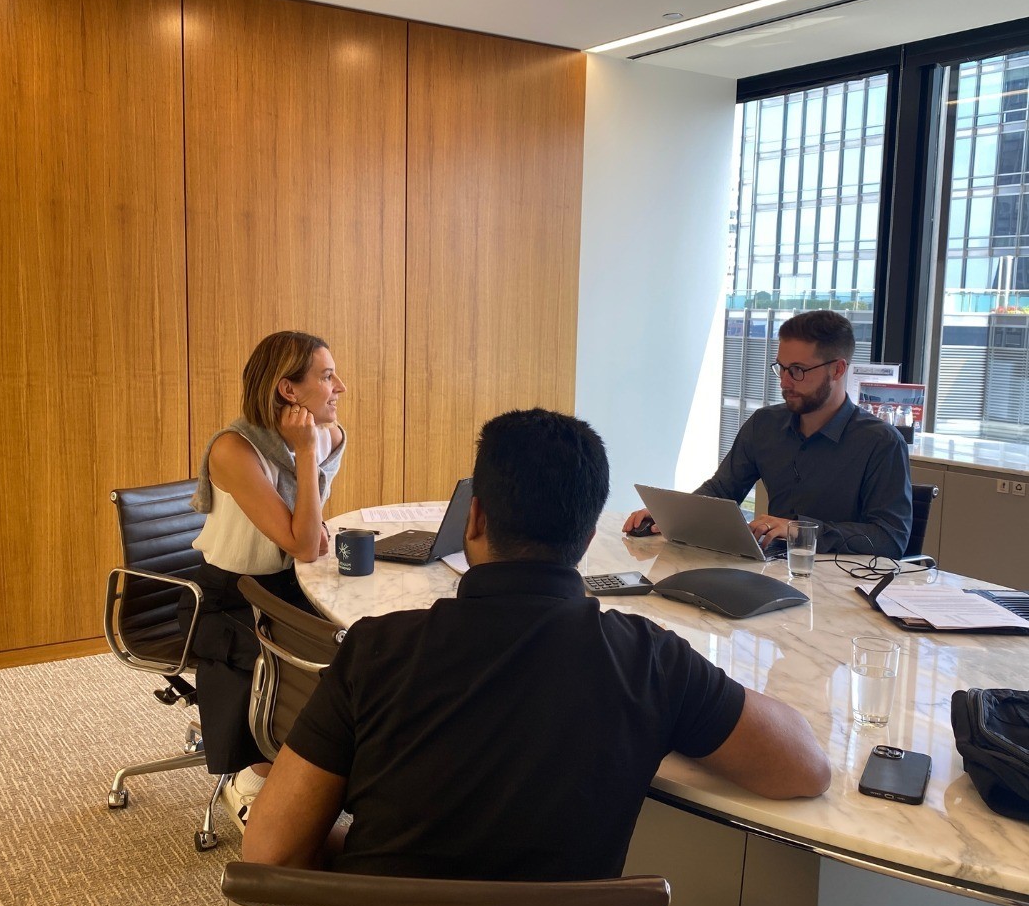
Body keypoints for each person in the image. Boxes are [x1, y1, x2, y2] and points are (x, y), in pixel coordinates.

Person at [243, 408, 830, 878]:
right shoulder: (649, 663)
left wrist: (354, 847)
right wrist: (668, 716)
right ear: (589, 531)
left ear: (474, 519)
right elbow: (805, 769)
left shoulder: (376, 650)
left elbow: (269, 855)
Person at [178, 330, 347, 827]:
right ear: (288, 391)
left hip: (290, 582)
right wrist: (306, 453)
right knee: (285, 669)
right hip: (230, 594)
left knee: (352, 650)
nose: (340, 387)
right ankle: (248, 779)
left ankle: (324, 770)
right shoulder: (234, 449)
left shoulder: (329, 434)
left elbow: (308, 541)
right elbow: (304, 542)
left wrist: (311, 447)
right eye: (326, 375)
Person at [624, 310, 912, 559]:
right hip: (771, 571)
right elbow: (722, 493)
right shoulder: (765, 425)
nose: (785, 382)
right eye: (782, 368)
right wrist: (673, 516)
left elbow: (890, 538)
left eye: (798, 370)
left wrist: (799, 531)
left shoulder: (880, 443)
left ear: (837, 370)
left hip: (842, 589)